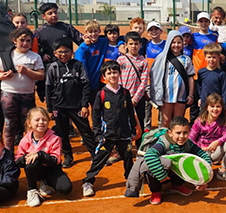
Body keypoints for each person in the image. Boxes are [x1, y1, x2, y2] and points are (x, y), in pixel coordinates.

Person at [82, 60, 138, 197]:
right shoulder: (101, 94)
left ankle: (130, 180)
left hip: (124, 133)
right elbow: (95, 115)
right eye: (109, 73)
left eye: (115, 72)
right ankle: (88, 181)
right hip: (107, 134)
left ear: (119, 74)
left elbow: (130, 112)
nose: (112, 75)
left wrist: (133, 129)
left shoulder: (125, 92)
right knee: (99, 158)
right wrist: (98, 133)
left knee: (128, 157)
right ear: (104, 77)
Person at [45, 38, 94, 168]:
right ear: (55, 53)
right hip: (59, 107)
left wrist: (84, 105)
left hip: (77, 106)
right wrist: (50, 109)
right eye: (60, 52)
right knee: (63, 133)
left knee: (86, 130)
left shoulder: (78, 65)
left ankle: (95, 155)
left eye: (66, 51)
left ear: (72, 52)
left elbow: (85, 85)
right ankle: (68, 156)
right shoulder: (52, 67)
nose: (63, 54)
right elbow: (48, 88)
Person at [0, 28, 45, 150]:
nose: (25, 43)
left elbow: (41, 76)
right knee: (10, 124)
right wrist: (4, 76)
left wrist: (27, 71)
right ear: (14, 41)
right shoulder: (6, 55)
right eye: (21, 40)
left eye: (28, 41)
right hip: (9, 94)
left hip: (27, 95)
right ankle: (8, 153)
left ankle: (27, 151)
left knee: (27, 124)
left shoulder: (35, 57)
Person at [143, 117, 212, 205]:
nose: (182, 136)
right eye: (178, 133)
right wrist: (161, 175)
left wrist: (204, 179)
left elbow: (204, 156)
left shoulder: (188, 144)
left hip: (173, 170)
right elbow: (149, 155)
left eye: (185, 133)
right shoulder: (164, 143)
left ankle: (176, 185)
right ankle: (156, 191)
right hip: (161, 172)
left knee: (187, 160)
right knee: (150, 169)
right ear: (170, 133)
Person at [15, 108, 73, 207]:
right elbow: (17, 161)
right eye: (37, 120)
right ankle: (32, 190)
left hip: (51, 169)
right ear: (29, 123)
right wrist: (26, 157)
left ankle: (45, 182)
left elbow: (55, 160)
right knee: (31, 160)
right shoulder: (25, 140)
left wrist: (40, 155)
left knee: (65, 188)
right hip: (35, 169)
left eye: (44, 119)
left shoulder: (55, 138)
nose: (41, 122)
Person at [189, 93, 226, 184]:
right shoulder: (200, 121)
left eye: (218, 106)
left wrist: (217, 142)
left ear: (222, 108)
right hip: (201, 152)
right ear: (207, 107)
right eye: (212, 106)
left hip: (216, 151)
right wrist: (200, 149)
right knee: (202, 179)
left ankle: (224, 171)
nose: (215, 109)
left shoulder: (224, 119)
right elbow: (191, 139)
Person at [150, 30, 195, 128]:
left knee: (178, 122)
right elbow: (155, 76)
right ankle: (164, 142)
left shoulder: (186, 59)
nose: (176, 45)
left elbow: (190, 77)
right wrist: (158, 93)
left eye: (179, 42)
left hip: (181, 95)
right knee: (166, 121)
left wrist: (191, 95)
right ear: (169, 43)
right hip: (166, 96)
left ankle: (175, 142)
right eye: (173, 42)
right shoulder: (162, 58)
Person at [117, 32, 150, 135]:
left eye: (136, 44)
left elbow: (144, 82)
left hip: (138, 99)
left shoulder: (143, 62)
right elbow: (118, 79)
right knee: (123, 122)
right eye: (130, 44)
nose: (133, 46)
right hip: (123, 97)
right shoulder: (121, 60)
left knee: (139, 122)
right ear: (126, 45)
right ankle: (125, 147)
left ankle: (139, 146)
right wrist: (123, 95)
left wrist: (135, 99)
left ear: (140, 45)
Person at [190, 12, 219, 122]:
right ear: (197, 23)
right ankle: (194, 125)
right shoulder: (193, 37)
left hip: (209, 74)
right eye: (201, 21)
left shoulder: (214, 37)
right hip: (197, 74)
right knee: (195, 104)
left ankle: (207, 124)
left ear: (209, 22)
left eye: (206, 21)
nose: (203, 23)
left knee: (209, 102)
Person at [75, 20, 108, 105]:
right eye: (90, 32)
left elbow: (117, 38)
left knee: (98, 108)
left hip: (99, 83)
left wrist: (121, 43)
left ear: (100, 31)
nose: (93, 34)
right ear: (85, 33)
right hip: (86, 85)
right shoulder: (83, 48)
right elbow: (81, 68)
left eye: (95, 31)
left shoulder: (103, 41)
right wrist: (85, 84)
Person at [197, 42, 226, 110]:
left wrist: (224, 106)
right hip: (204, 103)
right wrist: (200, 97)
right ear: (205, 57)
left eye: (214, 57)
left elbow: (224, 91)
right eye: (209, 57)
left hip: (216, 105)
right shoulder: (201, 72)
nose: (211, 60)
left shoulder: (221, 73)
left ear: (218, 58)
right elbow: (199, 86)